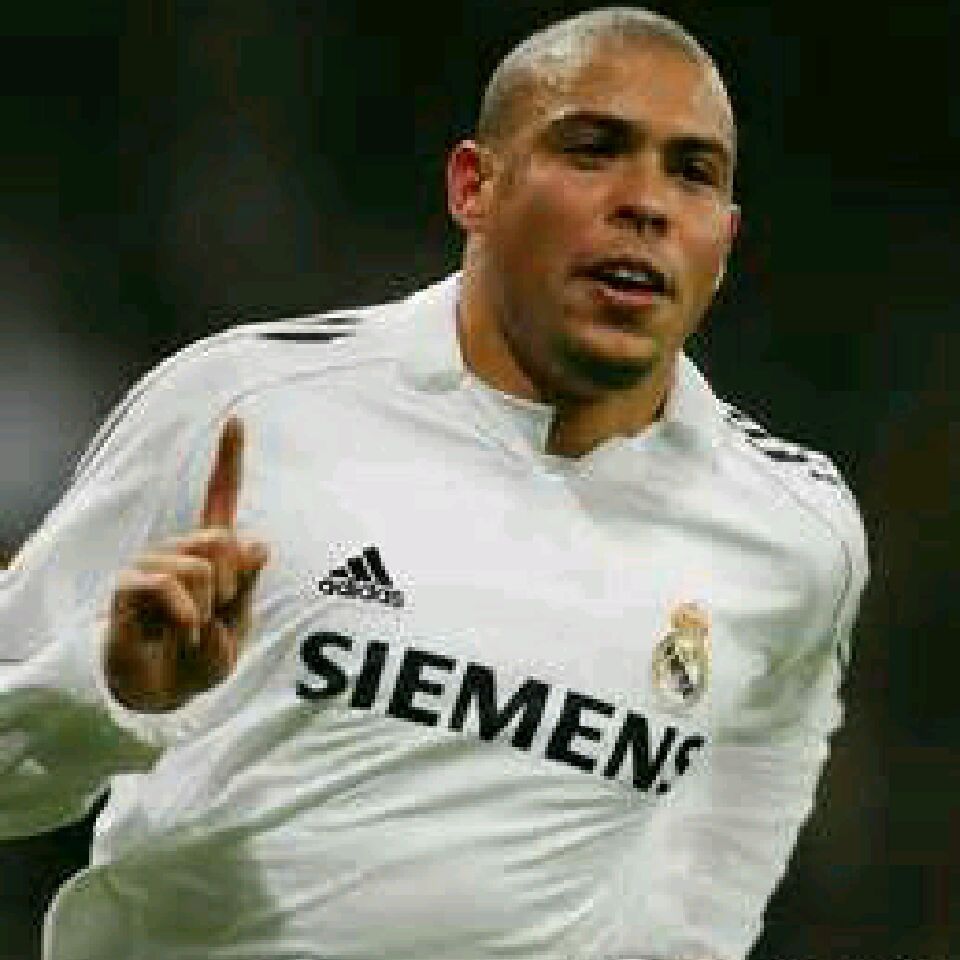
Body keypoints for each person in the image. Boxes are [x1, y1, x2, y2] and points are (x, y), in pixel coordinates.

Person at [0, 7, 868, 959]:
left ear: (725, 240)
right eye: (592, 151)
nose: (646, 203)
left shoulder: (794, 531)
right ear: (474, 186)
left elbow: (737, 822)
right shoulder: (246, 410)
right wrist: (108, 694)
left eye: (692, 172)